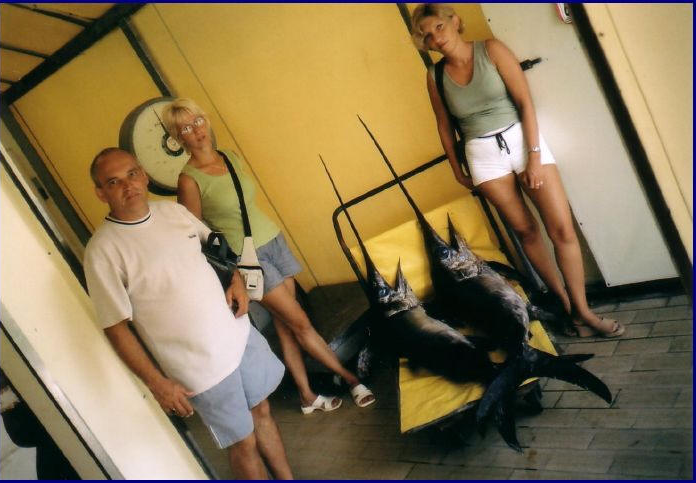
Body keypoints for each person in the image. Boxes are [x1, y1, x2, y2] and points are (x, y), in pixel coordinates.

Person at [410, 3, 624, 338]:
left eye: (439, 27)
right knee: (527, 233)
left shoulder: (491, 50)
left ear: (454, 21)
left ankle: (584, 310)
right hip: (483, 156)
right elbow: (444, 126)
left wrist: (534, 157)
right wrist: (456, 169)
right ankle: (567, 307)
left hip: (522, 142)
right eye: (426, 36)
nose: (435, 38)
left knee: (562, 229)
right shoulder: (434, 76)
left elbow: (525, 102)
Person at [83, 148, 293, 479]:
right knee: (243, 442)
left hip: (237, 337)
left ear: (144, 175)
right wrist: (157, 383)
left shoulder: (173, 212)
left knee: (263, 410)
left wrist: (236, 280)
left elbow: (218, 249)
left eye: (132, 174)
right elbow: (116, 328)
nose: (128, 185)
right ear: (100, 192)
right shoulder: (102, 251)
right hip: (199, 369)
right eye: (113, 181)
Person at [161, 98, 376, 413]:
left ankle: (306, 396)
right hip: (248, 258)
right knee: (300, 323)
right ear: (177, 139)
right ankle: (351, 379)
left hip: (273, 239)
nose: (196, 130)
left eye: (198, 121)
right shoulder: (189, 180)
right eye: (185, 128)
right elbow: (194, 233)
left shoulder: (230, 156)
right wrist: (229, 271)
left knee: (286, 324)